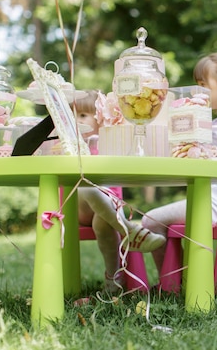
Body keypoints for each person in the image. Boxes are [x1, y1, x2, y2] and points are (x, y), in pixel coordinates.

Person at [142, 52, 217, 274]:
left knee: (151, 221)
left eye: (202, 84)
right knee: (153, 220)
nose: (197, 91)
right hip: (211, 200)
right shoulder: (215, 123)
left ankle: (170, 283)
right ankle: (174, 280)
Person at [72, 90, 166, 293]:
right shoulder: (69, 146)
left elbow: (115, 189)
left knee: (102, 220)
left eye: (82, 115)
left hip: (107, 208)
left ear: (100, 120)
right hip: (78, 209)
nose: (76, 121)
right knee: (85, 184)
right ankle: (129, 230)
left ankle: (113, 280)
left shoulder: (109, 144)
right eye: (73, 115)